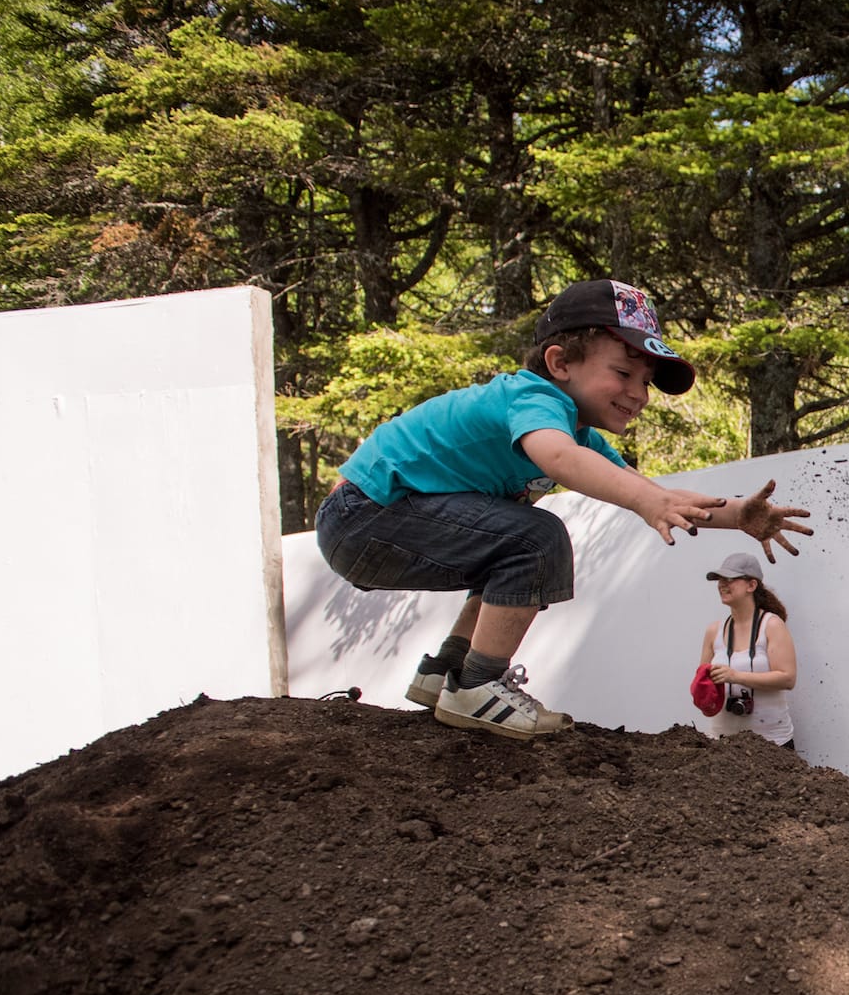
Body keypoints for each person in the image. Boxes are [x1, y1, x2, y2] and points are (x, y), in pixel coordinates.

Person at [315, 278, 812, 740]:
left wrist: (736, 515)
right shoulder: (531, 397)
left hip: (373, 523)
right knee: (536, 540)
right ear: (560, 363)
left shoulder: (579, 434)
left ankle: (446, 671)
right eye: (623, 373)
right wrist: (645, 500)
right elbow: (560, 459)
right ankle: (476, 686)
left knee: (508, 556)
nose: (639, 395)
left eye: (646, 382)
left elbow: (652, 492)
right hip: (366, 515)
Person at [697, 551, 798, 750]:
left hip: (771, 744)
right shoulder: (713, 631)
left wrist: (735, 676)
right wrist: (704, 692)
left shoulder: (772, 625)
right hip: (722, 743)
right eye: (720, 579)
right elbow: (704, 682)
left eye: (730, 579)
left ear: (751, 585)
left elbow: (788, 679)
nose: (722, 584)